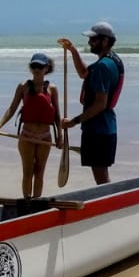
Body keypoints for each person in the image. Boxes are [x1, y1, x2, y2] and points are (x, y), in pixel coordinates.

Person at [58, 21, 125, 185]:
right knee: (102, 174)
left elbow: (100, 104)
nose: (89, 42)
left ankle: (111, 200)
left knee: (101, 178)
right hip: (107, 126)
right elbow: (83, 73)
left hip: (98, 129)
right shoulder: (113, 60)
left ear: (105, 41)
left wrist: (74, 121)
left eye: (93, 39)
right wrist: (73, 50)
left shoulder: (102, 67)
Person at [0, 52, 61, 198]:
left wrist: (60, 136)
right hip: (27, 136)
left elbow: (57, 115)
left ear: (47, 68)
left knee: (39, 172)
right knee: (28, 172)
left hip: (45, 137)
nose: (37, 69)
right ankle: (27, 202)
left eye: (40, 66)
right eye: (34, 66)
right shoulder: (23, 87)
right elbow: (12, 109)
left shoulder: (52, 89)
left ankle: (37, 202)